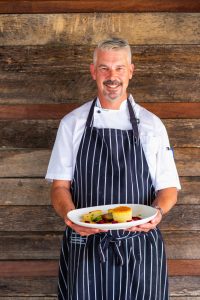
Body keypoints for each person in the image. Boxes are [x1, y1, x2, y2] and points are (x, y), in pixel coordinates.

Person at [46, 37, 181, 300]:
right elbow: (59, 187)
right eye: (105, 68)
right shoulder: (72, 123)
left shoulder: (152, 126)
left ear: (130, 71)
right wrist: (71, 217)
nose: (112, 76)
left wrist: (157, 213)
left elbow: (168, 190)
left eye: (119, 68)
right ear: (93, 71)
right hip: (85, 245)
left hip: (140, 246)